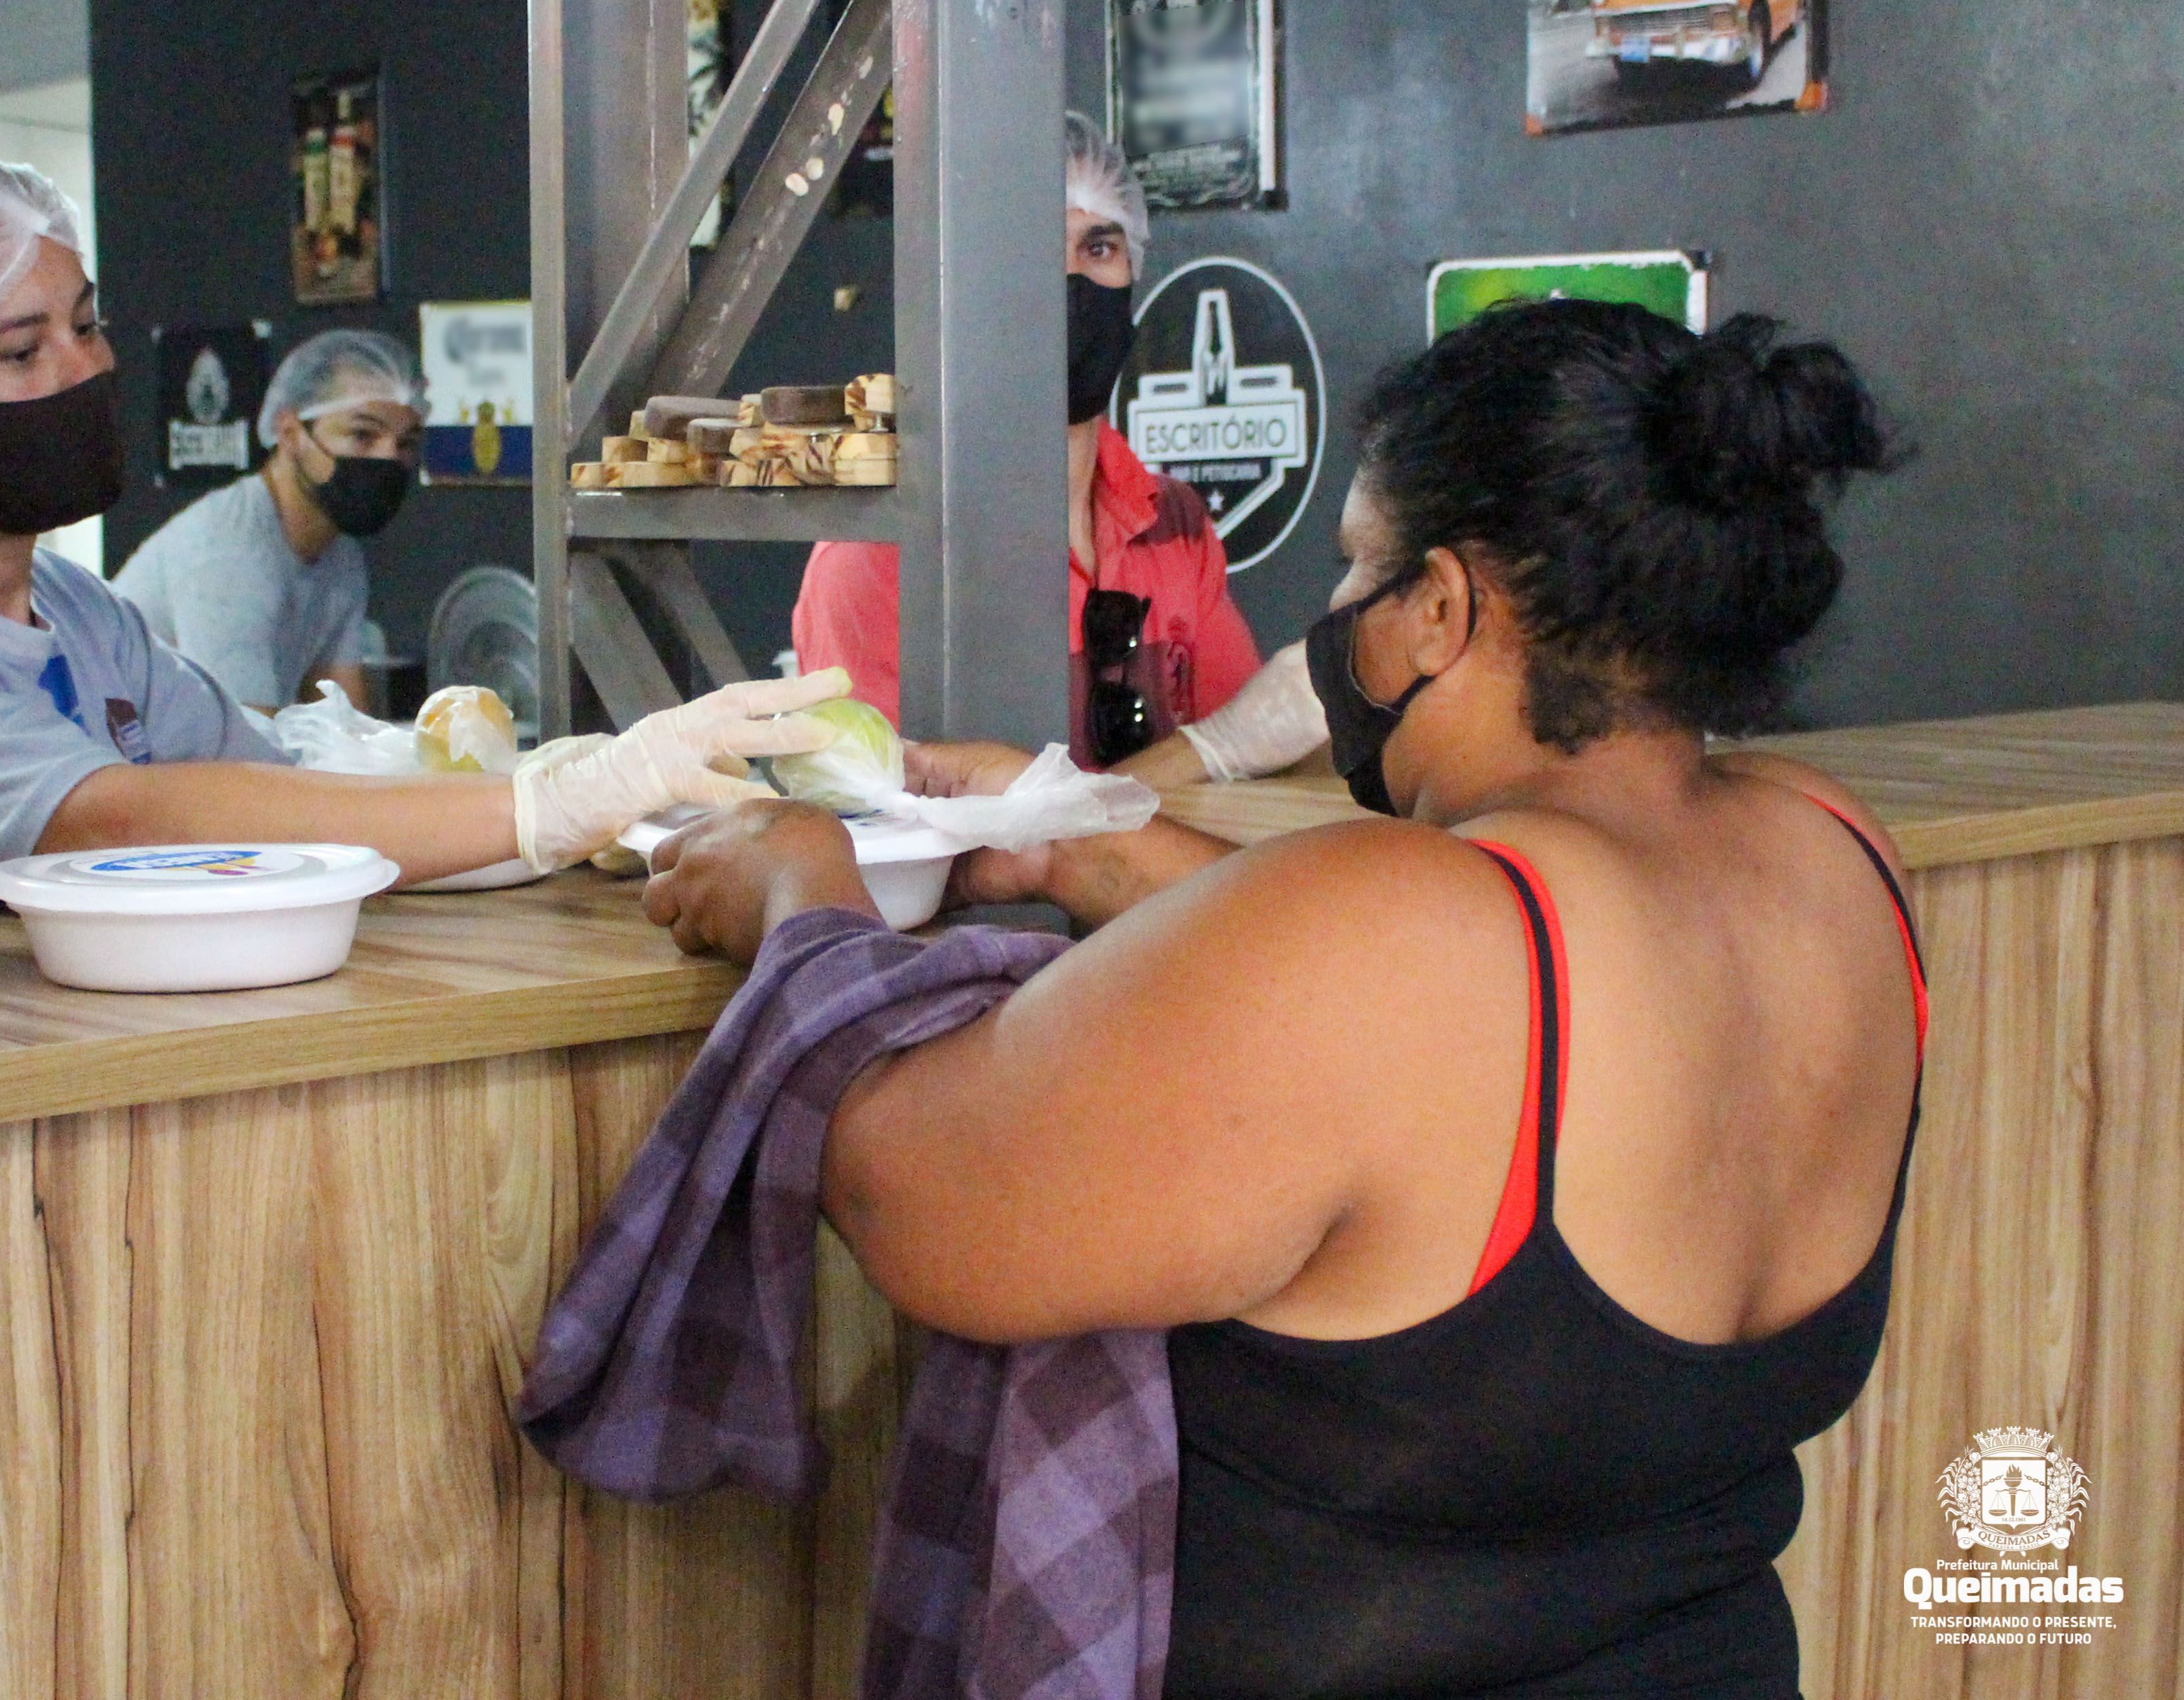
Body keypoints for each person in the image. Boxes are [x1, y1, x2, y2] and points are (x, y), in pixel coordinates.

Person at [642, 301, 1915, 1694]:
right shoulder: (1829, 851)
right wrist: (1076, 839)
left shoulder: (1403, 931)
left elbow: (924, 1198)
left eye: (1361, 564)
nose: (1339, 610)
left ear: (1442, 609)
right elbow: (1421, 1025)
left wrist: (802, 893)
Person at [0, 153, 845, 883]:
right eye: (24, 352)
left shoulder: (79, 613)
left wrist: (580, 794)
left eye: (88, 324)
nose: (88, 371)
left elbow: (274, 784)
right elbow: (117, 819)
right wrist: (543, 805)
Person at [791, 113, 1263, 768]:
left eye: (1099, 248)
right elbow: (895, 821)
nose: (1070, 284)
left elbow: (1247, 776)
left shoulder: (1174, 524)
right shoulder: (884, 552)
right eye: (1035, 251)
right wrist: (1201, 756)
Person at [114, 329, 423, 714]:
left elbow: (343, 721)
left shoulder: (339, 555)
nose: (389, 458)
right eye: (363, 435)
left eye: (406, 443)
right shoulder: (229, 552)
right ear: (290, 433)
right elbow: (244, 740)